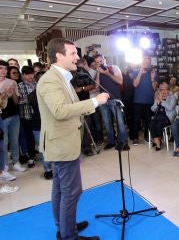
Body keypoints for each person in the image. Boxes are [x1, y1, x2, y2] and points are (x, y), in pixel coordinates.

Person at [37, 38, 109, 240]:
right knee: (71, 192)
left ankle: (64, 226)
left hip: (64, 141)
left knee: (60, 189)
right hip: (61, 144)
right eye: (73, 54)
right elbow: (60, 111)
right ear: (58, 56)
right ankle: (69, 235)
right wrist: (95, 102)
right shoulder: (51, 80)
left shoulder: (62, 77)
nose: (77, 57)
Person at [94, 54, 129, 150]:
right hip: (103, 100)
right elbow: (96, 87)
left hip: (115, 99)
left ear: (104, 59)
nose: (100, 64)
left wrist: (107, 73)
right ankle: (111, 141)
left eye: (101, 61)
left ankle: (123, 142)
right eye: (97, 62)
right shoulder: (98, 72)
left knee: (120, 122)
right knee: (107, 122)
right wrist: (98, 73)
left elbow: (120, 81)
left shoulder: (114, 68)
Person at [132, 58, 157, 145]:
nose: (147, 64)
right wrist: (140, 72)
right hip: (138, 100)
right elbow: (135, 84)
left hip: (149, 101)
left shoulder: (152, 73)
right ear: (142, 63)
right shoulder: (136, 72)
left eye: (148, 63)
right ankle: (135, 138)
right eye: (145, 63)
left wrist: (152, 78)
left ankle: (147, 136)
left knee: (148, 120)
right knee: (136, 120)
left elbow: (155, 88)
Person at [18, 66, 37, 168]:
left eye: (32, 74)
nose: (30, 76)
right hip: (26, 115)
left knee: (40, 135)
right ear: (23, 75)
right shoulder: (19, 86)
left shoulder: (37, 84)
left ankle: (45, 156)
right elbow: (18, 101)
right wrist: (29, 99)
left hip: (37, 115)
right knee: (29, 137)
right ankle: (31, 157)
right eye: (27, 74)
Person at [149, 82, 176, 150]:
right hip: (158, 117)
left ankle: (157, 141)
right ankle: (158, 142)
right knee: (151, 125)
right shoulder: (157, 97)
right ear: (159, 91)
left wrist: (162, 100)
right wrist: (157, 103)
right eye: (161, 90)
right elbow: (152, 109)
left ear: (168, 90)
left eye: (165, 89)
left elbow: (170, 107)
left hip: (167, 118)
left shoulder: (172, 97)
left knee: (158, 125)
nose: (163, 91)